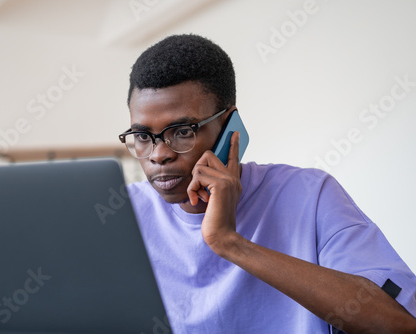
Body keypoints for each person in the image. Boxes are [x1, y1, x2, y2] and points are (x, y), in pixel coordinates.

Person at [119, 34, 416, 333]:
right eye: (143, 136)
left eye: (182, 131)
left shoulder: (309, 195)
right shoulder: (122, 215)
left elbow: (399, 325)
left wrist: (229, 242)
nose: (159, 154)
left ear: (228, 127)